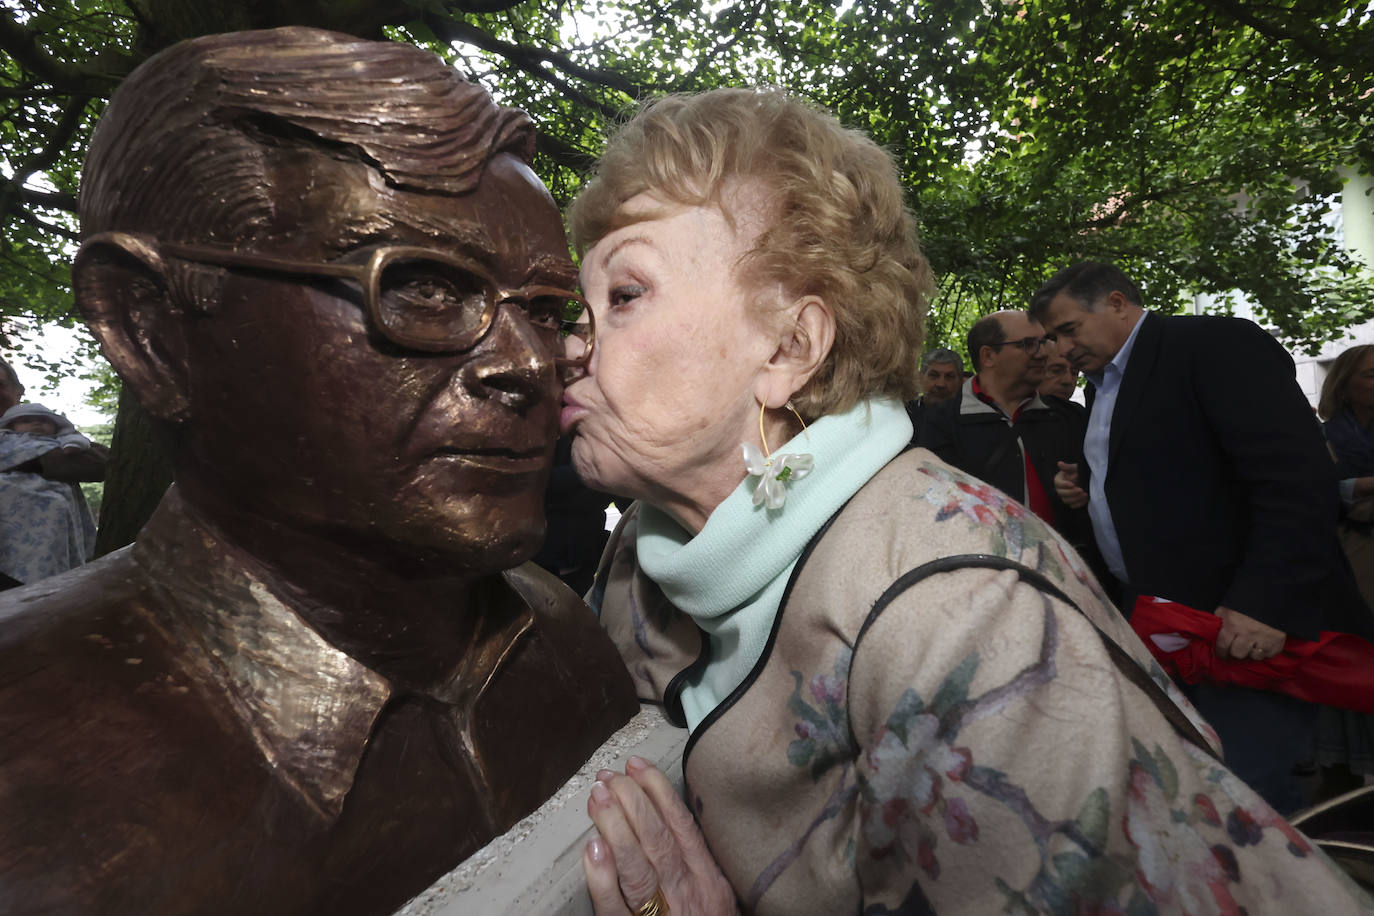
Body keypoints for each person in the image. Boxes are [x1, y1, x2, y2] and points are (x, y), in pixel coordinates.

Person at [565, 89, 1369, 915]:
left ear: (790, 345)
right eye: (578, 312)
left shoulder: (970, 618)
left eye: (624, 297)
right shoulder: (641, 550)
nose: (569, 348)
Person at [0, 28, 636, 916]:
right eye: (423, 285)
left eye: (540, 307)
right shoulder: (24, 779)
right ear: (150, 328)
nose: (531, 362)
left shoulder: (562, 639)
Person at [1033, 261, 1373, 815]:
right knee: (1198, 790)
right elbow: (1176, 475)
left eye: (1068, 330)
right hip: (1168, 630)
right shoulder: (1101, 390)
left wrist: (1262, 603)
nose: (1059, 349)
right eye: (1051, 338)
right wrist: (1089, 491)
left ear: (1118, 303)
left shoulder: (1213, 344)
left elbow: (1294, 479)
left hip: (1243, 627)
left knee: (1241, 799)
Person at [917, 310, 1104, 578]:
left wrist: (1086, 483)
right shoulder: (942, 423)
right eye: (1029, 344)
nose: (1042, 353)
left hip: (1073, 580)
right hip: (984, 579)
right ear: (988, 356)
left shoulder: (1069, 417)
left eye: (1043, 342)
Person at [1315, 344, 1374, 793]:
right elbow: (1318, 491)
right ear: (1346, 384)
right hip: (1351, 552)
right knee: (1356, 647)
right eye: (1371, 375)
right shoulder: (1326, 436)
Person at [0, 402, 104, 589]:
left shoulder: (59, 440)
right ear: (11, 425)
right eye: (26, 421)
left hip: (51, 499)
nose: (36, 424)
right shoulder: (5, 439)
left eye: (43, 421)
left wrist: (34, 460)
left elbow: (100, 461)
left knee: (55, 506)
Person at [904, 347, 962, 436]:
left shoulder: (967, 417)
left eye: (949, 376)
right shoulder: (905, 414)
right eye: (933, 375)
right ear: (920, 377)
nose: (941, 384)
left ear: (960, 381)